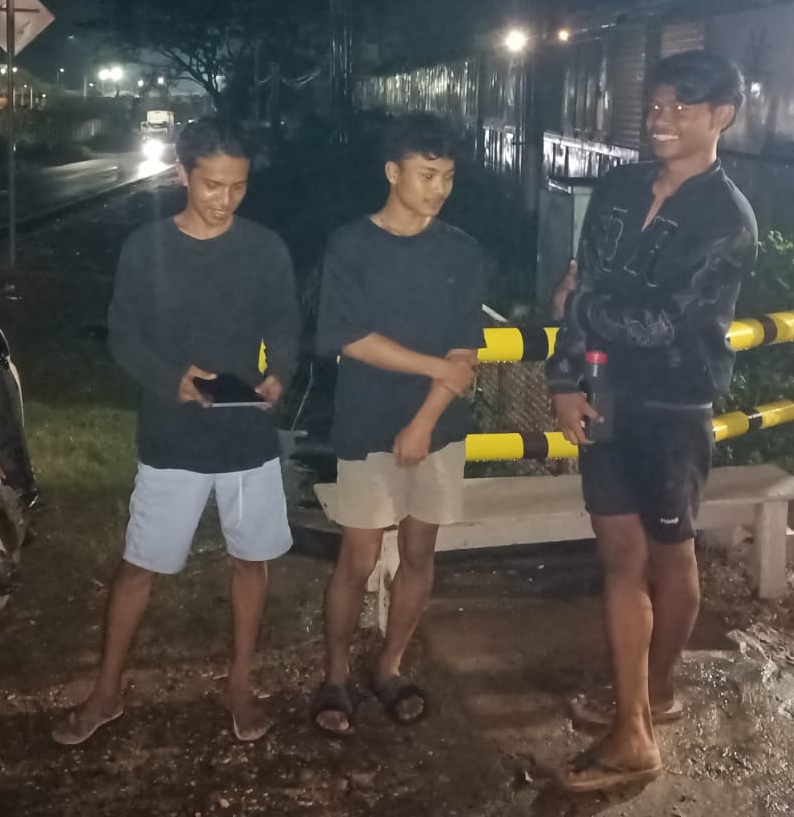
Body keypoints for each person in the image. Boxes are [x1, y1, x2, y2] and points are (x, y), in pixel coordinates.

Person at [544, 50, 757, 794]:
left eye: (681, 107)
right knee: (619, 555)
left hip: (675, 405)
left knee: (671, 555)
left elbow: (664, 323)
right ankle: (634, 717)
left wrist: (581, 302)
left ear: (721, 116)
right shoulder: (618, 186)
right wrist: (563, 379)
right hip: (604, 395)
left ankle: (654, 695)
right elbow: (584, 280)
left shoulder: (726, 218)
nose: (661, 118)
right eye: (657, 105)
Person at [52, 116, 300, 746]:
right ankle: (106, 691)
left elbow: (285, 322)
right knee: (141, 565)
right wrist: (172, 380)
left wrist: (279, 373)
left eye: (238, 186)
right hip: (172, 435)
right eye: (212, 184)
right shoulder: (147, 248)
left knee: (250, 562)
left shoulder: (266, 248)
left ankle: (239, 684)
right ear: (183, 174)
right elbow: (123, 335)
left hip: (246, 434)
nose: (224, 199)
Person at [311, 113, 485, 736]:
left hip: (437, 426)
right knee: (357, 557)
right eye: (427, 174)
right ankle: (335, 675)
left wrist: (424, 421)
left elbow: (464, 352)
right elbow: (349, 336)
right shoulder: (351, 245)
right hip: (367, 420)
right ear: (393, 172)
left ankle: (390, 666)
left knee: (418, 552)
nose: (439, 188)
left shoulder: (461, 250)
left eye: (448, 177)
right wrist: (434, 368)